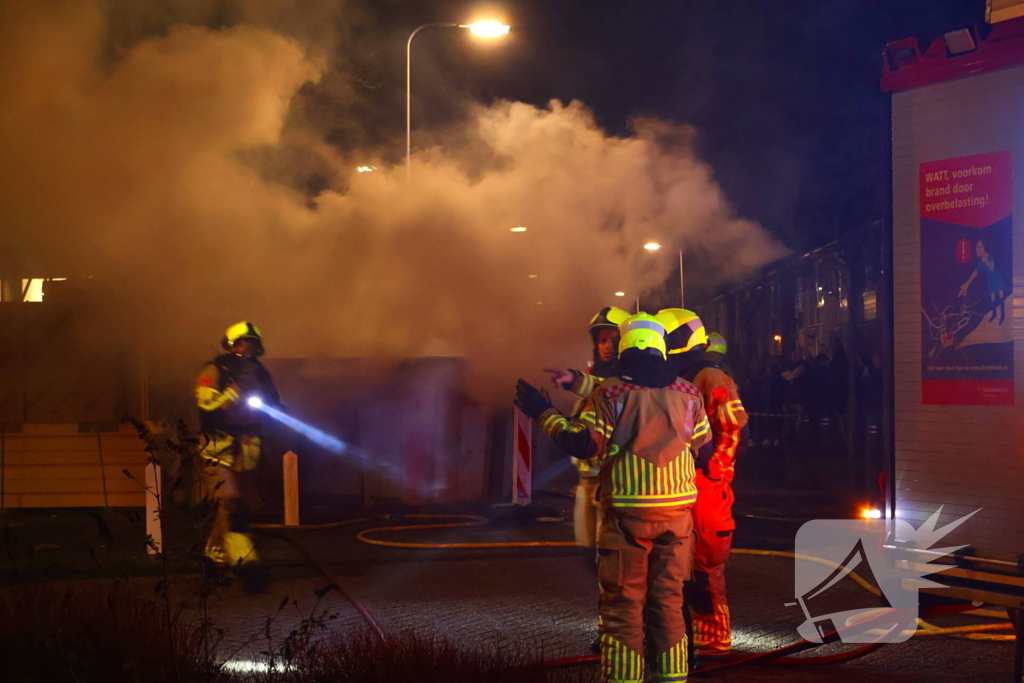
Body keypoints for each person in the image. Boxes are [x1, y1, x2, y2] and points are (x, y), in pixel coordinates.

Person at [516, 313, 713, 683]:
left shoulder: (610, 393)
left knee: (623, 609)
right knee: (669, 605)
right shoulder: (689, 394)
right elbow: (705, 452)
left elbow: (583, 444)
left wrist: (543, 413)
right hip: (677, 521)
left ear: (624, 347)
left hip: (627, 521)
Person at [656, 309, 749, 658]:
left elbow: (734, 427)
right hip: (684, 484)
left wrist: (713, 472)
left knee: (704, 566)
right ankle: (689, 637)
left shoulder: (708, 375)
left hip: (704, 487)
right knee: (680, 564)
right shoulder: (679, 377)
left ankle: (713, 641)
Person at [196, 321, 280, 592]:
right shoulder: (216, 370)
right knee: (233, 508)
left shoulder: (261, 374)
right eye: (244, 342)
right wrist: (228, 397)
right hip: (218, 450)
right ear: (232, 345)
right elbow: (205, 402)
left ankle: (214, 560)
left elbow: (274, 405)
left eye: (253, 343)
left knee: (229, 509)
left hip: (246, 452)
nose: (249, 348)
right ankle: (248, 566)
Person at [544, 306, 631, 551]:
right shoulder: (594, 375)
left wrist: (575, 380)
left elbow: (603, 389)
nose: (606, 346)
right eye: (601, 340)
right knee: (589, 549)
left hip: (612, 482)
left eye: (612, 340)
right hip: (588, 480)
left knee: (609, 552)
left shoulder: (626, 381)